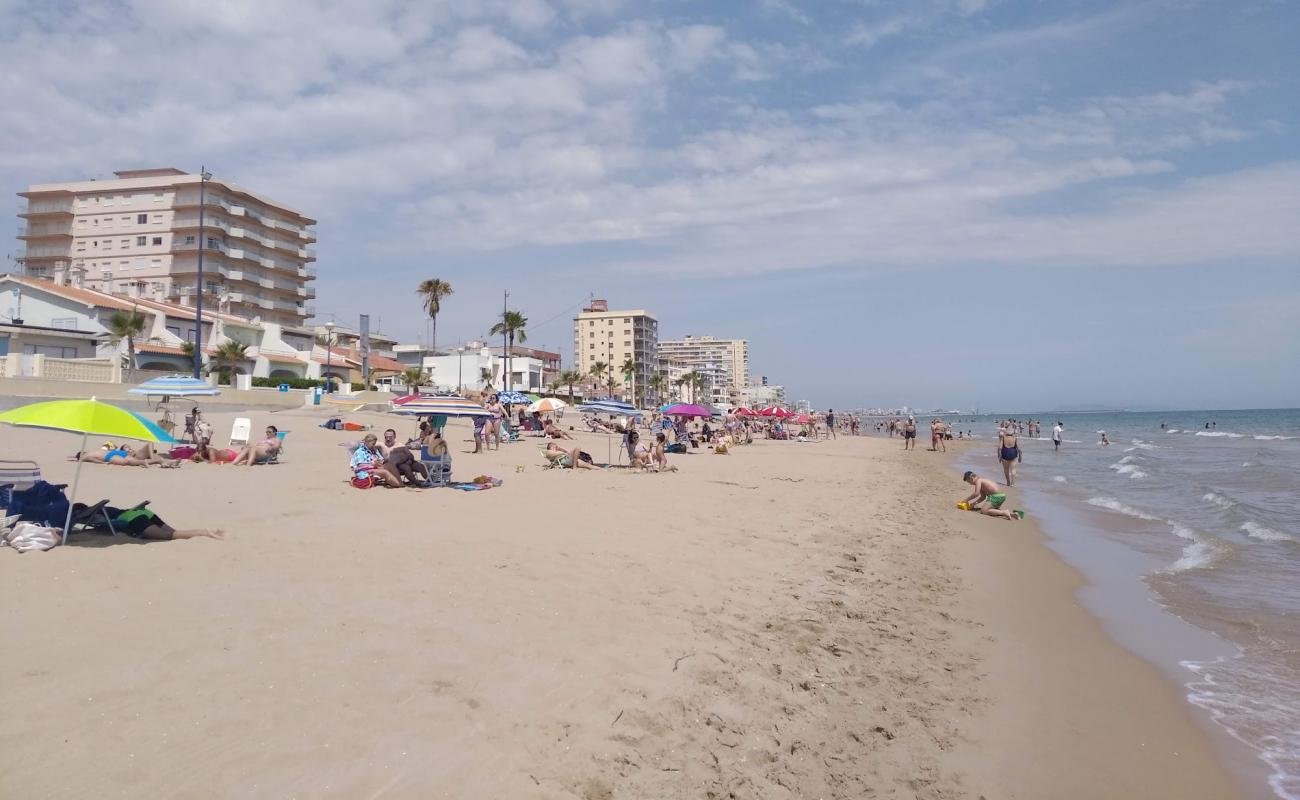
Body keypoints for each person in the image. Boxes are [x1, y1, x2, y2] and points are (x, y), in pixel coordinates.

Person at [108, 505, 224, 540]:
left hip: (130, 517)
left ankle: (204, 533)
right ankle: (208, 531)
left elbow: (100, 520)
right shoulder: (106, 508)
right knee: (174, 532)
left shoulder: (96, 511)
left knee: (168, 536)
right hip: (141, 511)